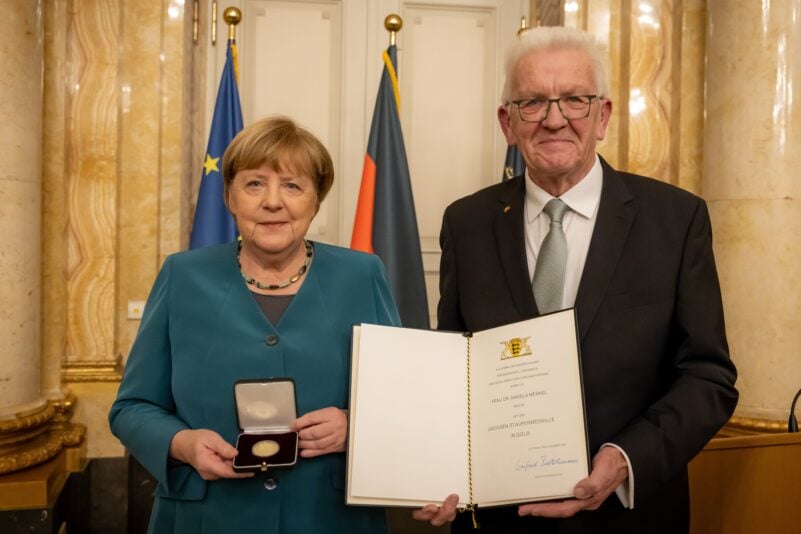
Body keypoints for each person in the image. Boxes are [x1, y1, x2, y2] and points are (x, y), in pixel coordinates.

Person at [413, 26, 738, 533]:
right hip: (500, 520)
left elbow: (708, 377)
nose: (554, 119)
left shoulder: (674, 220)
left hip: (630, 516)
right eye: (533, 103)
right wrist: (431, 466)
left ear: (603, 115)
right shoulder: (467, 223)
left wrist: (624, 458)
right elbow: (456, 368)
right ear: (507, 121)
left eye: (575, 100)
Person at [109, 116, 400, 533]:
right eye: (255, 184)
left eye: (293, 185)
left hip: (329, 516)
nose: (273, 202)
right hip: (207, 516)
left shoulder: (362, 274)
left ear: (316, 200)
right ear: (229, 196)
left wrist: (356, 424)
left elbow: (401, 400)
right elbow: (132, 408)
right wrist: (183, 445)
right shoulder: (182, 276)